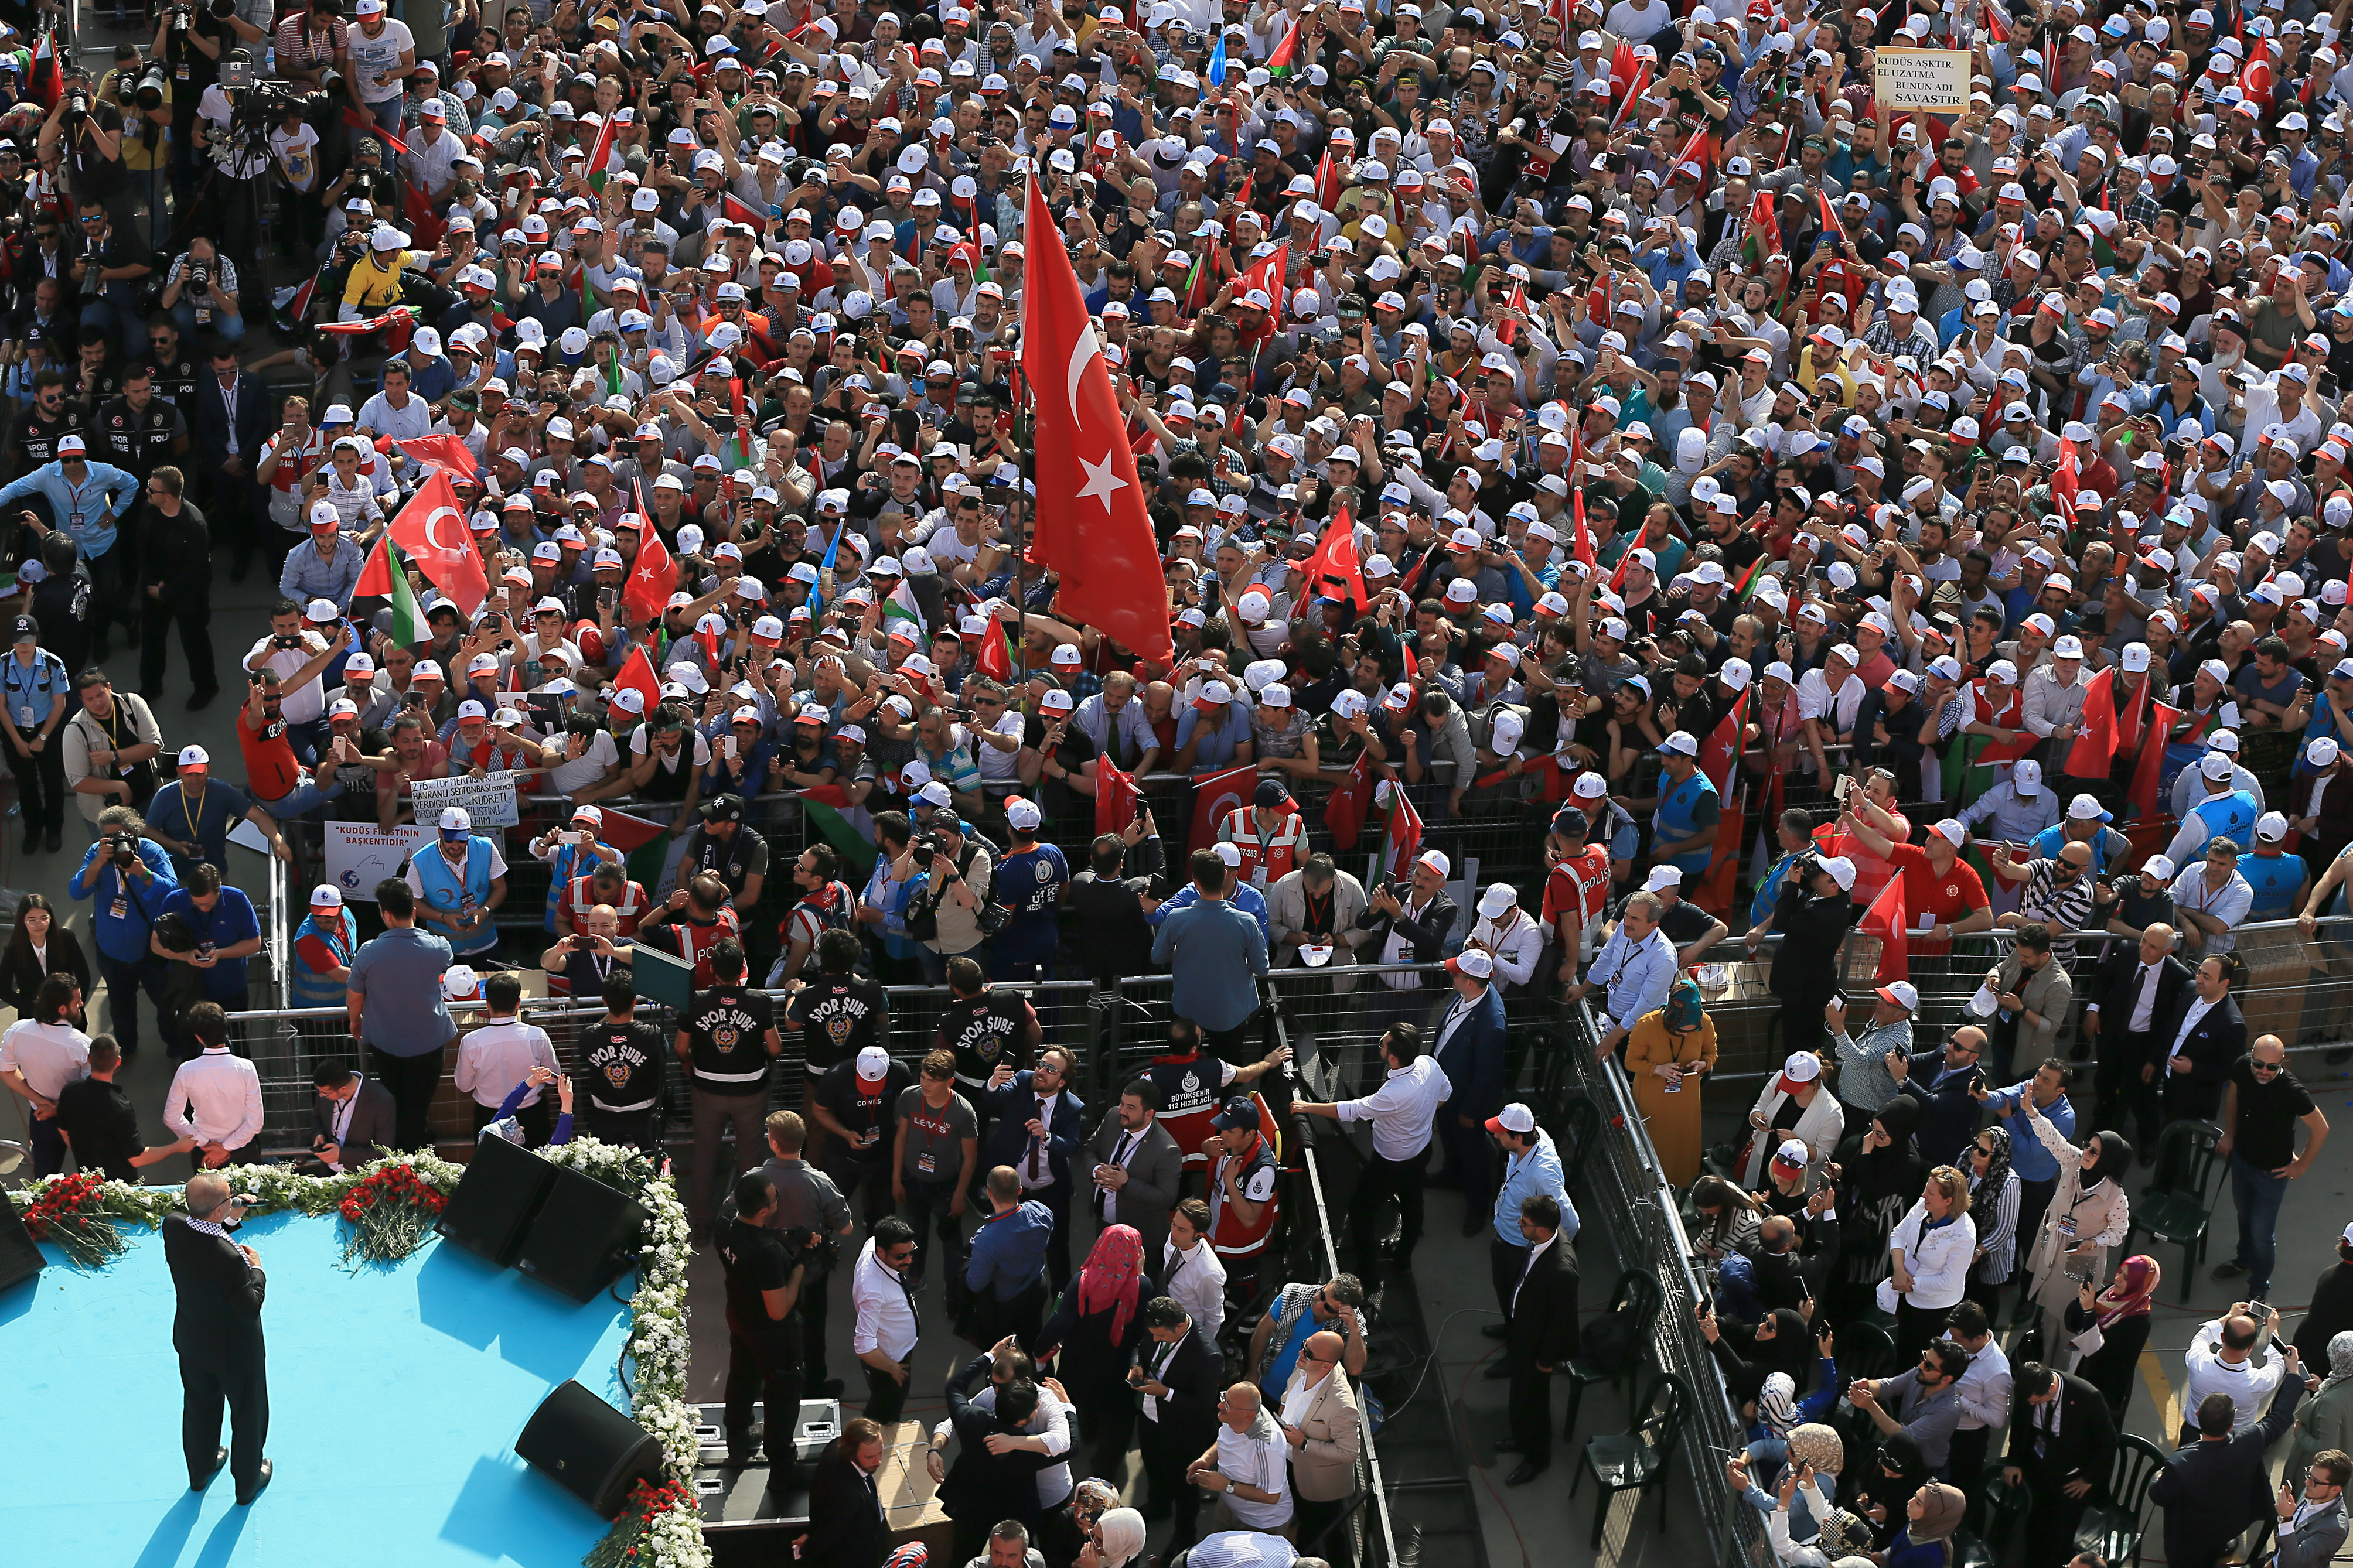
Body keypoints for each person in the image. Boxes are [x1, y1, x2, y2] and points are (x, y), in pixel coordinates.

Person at [1294, 1022, 1448, 1293]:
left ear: (1393, 1058)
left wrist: (1308, 1107)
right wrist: (1422, 1120)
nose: (1379, 1045)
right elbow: (1445, 1095)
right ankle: (1403, 1261)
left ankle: (1368, 1276)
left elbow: (1353, 1110)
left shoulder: (1394, 1093)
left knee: (1361, 1211)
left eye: (1382, 1044)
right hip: (1422, 1151)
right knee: (1414, 1204)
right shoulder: (1429, 1065)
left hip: (1390, 1163)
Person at [165, 1173, 271, 1504]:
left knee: (200, 1406)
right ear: (215, 1211)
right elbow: (250, 1306)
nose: (233, 1201)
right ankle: (248, 1481)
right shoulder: (231, 1260)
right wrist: (258, 1270)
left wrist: (232, 1217)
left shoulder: (174, 1225)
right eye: (229, 1199)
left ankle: (201, 1470)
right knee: (249, 1414)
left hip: (193, 1341)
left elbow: (204, 1237)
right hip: (237, 1352)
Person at [676, 937, 782, 1240]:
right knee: (751, 1157)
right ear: (742, 968)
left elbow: (681, 1049)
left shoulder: (693, 999)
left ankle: (701, 1225)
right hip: (751, 1090)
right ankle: (750, 1224)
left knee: (705, 1155)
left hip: (707, 1090)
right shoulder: (760, 1001)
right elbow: (775, 1049)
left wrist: (690, 1067)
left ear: (711, 969)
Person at [1038, 1224, 1158, 1485]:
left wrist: (1039, 1352)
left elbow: (1059, 1322)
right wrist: (1140, 1274)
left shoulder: (1083, 1281)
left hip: (1078, 1364)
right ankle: (1103, 1468)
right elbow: (1143, 1331)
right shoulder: (1143, 1287)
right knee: (1116, 1421)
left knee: (1081, 1405)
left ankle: (1087, 1434)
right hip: (1117, 1368)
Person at [2212, 1033, 2330, 1300]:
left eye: (2272, 1067)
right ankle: (2243, 1260)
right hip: (2242, 1160)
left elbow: (2321, 1128)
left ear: (2282, 1064)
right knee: (2244, 1215)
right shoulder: (2243, 1067)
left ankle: (2259, 1286)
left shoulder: (2292, 1091)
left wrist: (2301, 1166)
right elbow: (2233, 1096)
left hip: (2272, 1173)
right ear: (2251, 1057)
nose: (2263, 1071)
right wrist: (2229, 1133)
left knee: (2263, 1233)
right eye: (2259, 1064)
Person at [345, 877, 453, 1152]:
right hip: (429, 1041)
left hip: (385, 1042)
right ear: (414, 911)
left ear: (386, 914)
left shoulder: (368, 953)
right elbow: (444, 960)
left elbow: (355, 996)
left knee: (394, 1102)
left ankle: (396, 1163)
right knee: (419, 1105)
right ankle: (417, 1161)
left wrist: (355, 1022)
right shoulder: (439, 947)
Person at [2151, 1379, 2308, 1568]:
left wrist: (2158, 1477)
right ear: (2231, 1426)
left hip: (2192, 1539)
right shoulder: (2251, 1438)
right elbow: (2280, 1416)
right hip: (2233, 1523)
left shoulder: (2180, 1464)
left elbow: (2159, 1495)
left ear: (2198, 1415)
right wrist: (2294, 1377)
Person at [2018, 1099, 2132, 1356]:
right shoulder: (2074, 1161)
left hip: (2081, 1257)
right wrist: (2032, 1113)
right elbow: (2053, 1140)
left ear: (2108, 1161)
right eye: (2087, 1147)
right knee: (2046, 1297)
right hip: (2051, 1238)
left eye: (2094, 1152)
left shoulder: (2116, 1197)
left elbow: (2118, 1233)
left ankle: (2062, 1365)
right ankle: (2043, 1357)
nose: (2086, 1154)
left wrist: (2092, 1243)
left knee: (2068, 1311)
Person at [756, 1109, 855, 1400]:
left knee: (772, 1330)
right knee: (812, 1332)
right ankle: (814, 1386)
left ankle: (772, 1384)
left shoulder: (756, 1179)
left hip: (770, 1275)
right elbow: (847, 1228)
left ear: (773, 1143)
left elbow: (733, 1217)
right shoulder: (819, 1182)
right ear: (803, 1142)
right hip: (811, 1275)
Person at [717, 1170, 809, 1473]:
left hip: (740, 1319)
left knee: (742, 1378)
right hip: (772, 1335)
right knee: (783, 1391)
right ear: (763, 1211)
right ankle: (783, 1465)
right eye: (775, 1198)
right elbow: (778, 1309)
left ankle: (738, 1437)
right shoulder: (765, 1254)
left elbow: (752, 1235)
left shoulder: (725, 1223)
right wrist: (802, 1265)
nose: (777, 1200)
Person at [978, 1046, 1086, 1294]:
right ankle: (1008, 1296)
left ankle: (1061, 1302)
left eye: (1051, 1070)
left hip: (1051, 1190)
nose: (1041, 1071)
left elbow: (1072, 1146)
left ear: (1062, 1082)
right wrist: (994, 1082)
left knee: (1057, 1249)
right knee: (1008, 1244)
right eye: (1041, 1064)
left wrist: (1048, 1136)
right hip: (1014, 1190)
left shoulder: (1071, 1107)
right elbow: (993, 1097)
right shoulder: (1025, 1079)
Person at [1489, 1193, 1576, 1488]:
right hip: (1523, 1334)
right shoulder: (1543, 1239)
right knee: (1519, 1393)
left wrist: (1545, 1361)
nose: (1519, 1225)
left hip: (1537, 1346)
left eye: (1524, 1223)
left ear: (1541, 1229)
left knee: (1535, 1402)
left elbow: (1559, 1321)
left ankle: (1537, 1457)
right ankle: (1521, 1437)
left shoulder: (1561, 1270)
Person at [1154, 846, 1272, 1063]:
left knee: (1184, 1070)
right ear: (1225, 875)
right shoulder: (1247, 922)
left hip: (1187, 1010)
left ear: (1195, 882)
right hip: (1231, 1015)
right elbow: (1262, 968)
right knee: (1227, 1073)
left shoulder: (1176, 918)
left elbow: (1158, 957)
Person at [2082, 923, 2190, 1152]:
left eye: (2153, 946)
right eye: (2144, 941)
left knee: (2143, 1093)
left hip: (2144, 1043)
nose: (2144, 948)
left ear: (2168, 951)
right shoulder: (2127, 952)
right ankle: (2101, 1126)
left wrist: (2155, 1060)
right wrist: (2093, 1009)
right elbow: (2104, 979)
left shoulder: (2179, 977)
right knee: (2105, 1081)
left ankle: (2148, 1140)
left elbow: (2172, 1026)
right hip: (2112, 1034)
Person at [2004, 1361, 2117, 1568]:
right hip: (2038, 1470)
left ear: (2052, 1389)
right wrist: (2014, 1461)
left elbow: (2108, 1444)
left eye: (2036, 1401)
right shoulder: (2028, 1392)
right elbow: (2019, 1426)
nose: (2031, 1404)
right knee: (2035, 1528)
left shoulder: (2087, 1397)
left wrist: (2088, 1480)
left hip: (2071, 1480)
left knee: (2060, 1537)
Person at [1132, 1294, 1223, 1543]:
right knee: (1153, 1466)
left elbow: (1204, 1406)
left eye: (1161, 1336)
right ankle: (1159, 1506)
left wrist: (1166, 1393)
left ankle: (1185, 1534)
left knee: (1184, 1486)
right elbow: (1140, 1347)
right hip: (1150, 1418)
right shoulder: (1158, 1328)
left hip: (1184, 1432)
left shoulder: (1207, 1356)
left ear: (1180, 1327)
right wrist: (1137, 1365)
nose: (1155, 1339)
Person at [1430, 948, 1508, 1236]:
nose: (1452, 977)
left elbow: (1486, 1075)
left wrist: (1470, 1112)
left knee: (1473, 1153)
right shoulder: (1468, 995)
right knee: (1450, 1139)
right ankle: (1451, 1175)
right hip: (1449, 1094)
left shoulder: (1491, 1023)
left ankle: (1478, 1206)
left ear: (1471, 982)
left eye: (1456, 974)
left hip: (1466, 1102)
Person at [894, 1048, 979, 1290]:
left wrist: (960, 1196)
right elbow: (901, 1137)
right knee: (914, 1233)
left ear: (950, 1081)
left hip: (946, 1185)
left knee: (951, 1239)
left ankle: (954, 1289)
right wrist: (896, 1179)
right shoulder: (910, 1097)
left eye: (933, 1080)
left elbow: (970, 1159)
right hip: (912, 1178)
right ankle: (915, 1278)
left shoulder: (963, 1112)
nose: (926, 1084)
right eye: (923, 1077)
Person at [54, 1033, 193, 1179]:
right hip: (119, 1188)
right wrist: (177, 1147)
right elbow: (137, 1158)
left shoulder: (70, 1090)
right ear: (118, 1062)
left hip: (88, 1184)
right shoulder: (120, 1108)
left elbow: (64, 1131)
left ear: (89, 1059)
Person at [1624, 977, 1717, 1187]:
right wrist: (1657, 1069)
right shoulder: (1647, 1025)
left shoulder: (1705, 1024)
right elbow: (1631, 1062)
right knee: (1650, 1143)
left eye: (1690, 1031)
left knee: (1680, 1147)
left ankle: (1675, 1187)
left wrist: (1702, 1065)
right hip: (1652, 1100)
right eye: (1681, 1030)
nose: (1685, 1034)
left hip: (1686, 1101)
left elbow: (1711, 1053)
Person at [1080, 1078, 1184, 1265]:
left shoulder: (1167, 1150)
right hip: (1103, 1226)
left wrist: (1126, 1185)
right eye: (1121, 1103)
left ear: (1149, 1114)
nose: (1122, 1111)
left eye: (1131, 1107)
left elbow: (1166, 1197)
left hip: (1139, 1240)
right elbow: (1089, 1149)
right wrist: (1097, 1170)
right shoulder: (1113, 1117)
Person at [1883, 1168, 1976, 1368]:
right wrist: (1899, 1270)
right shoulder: (1923, 1206)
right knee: (1904, 1353)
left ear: (1948, 1201)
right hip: (1906, 1295)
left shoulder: (1964, 1234)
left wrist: (1908, 1283)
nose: (1924, 1195)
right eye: (1926, 1189)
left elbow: (1948, 1282)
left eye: (1931, 1193)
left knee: (1924, 1364)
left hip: (1934, 1310)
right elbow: (1898, 1234)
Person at [451, 972, 560, 1143]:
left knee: (492, 1168)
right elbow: (553, 1078)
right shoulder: (537, 1035)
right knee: (539, 1167)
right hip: (532, 1115)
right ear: (518, 1003)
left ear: (487, 1004)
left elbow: (464, 1086)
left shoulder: (471, 1041)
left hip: (489, 1115)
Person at [0, 971, 90, 1174]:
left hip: (41, 1117)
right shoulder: (82, 1045)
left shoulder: (17, 1031)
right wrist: (57, 1108)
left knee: (44, 1180)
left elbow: (6, 1072)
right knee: (92, 1177)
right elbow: (90, 1088)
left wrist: (42, 1102)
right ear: (62, 1008)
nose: (82, 1004)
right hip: (78, 1120)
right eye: (77, 1001)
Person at [1848, 1338, 1971, 1476]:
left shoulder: (1948, 1410)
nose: (1921, 1366)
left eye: (1929, 1365)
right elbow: (1889, 1386)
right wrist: (1867, 1386)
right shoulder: (1920, 1375)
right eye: (1923, 1357)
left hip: (1922, 1471)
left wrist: (1871, 1406)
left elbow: (1904, 1436)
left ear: (1947, 1379)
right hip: (1899, 1457)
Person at [161, 1002, 261, 1171]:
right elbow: (255, 1122)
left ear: (198, 1038)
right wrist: (226, 1148)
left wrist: (205, 1143)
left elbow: (171, 1117)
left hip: (204, 1153)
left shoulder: (186, 1070)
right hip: (244, 1151)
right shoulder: (247, 1068)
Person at [576, 974, 667, 1155]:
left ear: (604, 1001)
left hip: (604, 1115)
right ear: (635, 1000)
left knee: (606, 1170)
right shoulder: (652, 1036)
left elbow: (587, 1049)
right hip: (644, 1115)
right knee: (650, 1166)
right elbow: (664, 1059)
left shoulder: (589, 1036)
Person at [964, 1166, 1053, 1351]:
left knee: (997, 1354)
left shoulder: (986, 1240)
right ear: (1020, 1190)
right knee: (1035, 1347)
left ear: (989, 1194)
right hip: (1037, 1289)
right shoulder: (1041, 1212)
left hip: (1005, 1305)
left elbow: (976, 1283)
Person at [1191, 1382, 1294, 1539]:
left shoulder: (1267, 1446)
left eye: (1228, 1405)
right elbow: (1224, 1441)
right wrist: (1206, 1459)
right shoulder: (1235, 1417)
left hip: (1261, 1524)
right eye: (1224, 1398)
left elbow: (1271, 1496)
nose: (1220, 1405)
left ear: (1248, 1415)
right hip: (1230, 1505)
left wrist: (1227, 1485)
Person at [2160, 954, 2248, 1126]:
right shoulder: (2190, 989)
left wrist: (2193, 1068)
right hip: (2167, 1080)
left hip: (2192, 1095)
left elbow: (2232, 1070)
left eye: (2206, 977)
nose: (2199, 979)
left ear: (2224, 983)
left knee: (2176, 1145)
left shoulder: (2232, 1024)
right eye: (2199, 973)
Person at [2183, 1305, 2293, 1439]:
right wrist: (2273, 1330)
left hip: (2192, 1432)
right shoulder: (2258, 1382)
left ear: (2222, 1337)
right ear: (2251, 1346)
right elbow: (2278, 1361)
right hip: (2235, 1440)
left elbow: (2203, 1336)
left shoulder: (2197, 1362)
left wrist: (2230, 1315)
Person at [852, 1217, 923, 1424]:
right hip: (889, 1365)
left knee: (879, 1405)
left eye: (912, 1252)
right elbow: (864, 1347)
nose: (909, 1260)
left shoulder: (873, 1245)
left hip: (894, 1358)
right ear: (881, 1252)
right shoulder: (874, 1291)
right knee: (886, 1417)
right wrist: (893, 1368)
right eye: (901, 1256)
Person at [803, 1418, 891, 1568]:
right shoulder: (849, 1497)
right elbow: (828, 1536)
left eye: (880, 1452)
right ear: (852, 1453)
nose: (878, 1462)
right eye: (870, 1457)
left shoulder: (836, 1446)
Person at [303, 1061, 395, 1176]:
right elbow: (317, 1118)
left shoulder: (382, 1101)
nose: (321, 1095)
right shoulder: (327, 1088)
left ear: (343, 1089)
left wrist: (341, 1154)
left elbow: (383, 1150)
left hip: (360, 1176)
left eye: (325, 1093)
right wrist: (319, 1135)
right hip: (328, 1171)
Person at [2274, 1449, 2353, 1568]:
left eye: (2315, 1481)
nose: (2307, 1482)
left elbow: (2292, 1563)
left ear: (2335, 1490)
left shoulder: (2335, 1528)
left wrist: (2287, 1519)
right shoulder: (2314, 1490)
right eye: (2309, 1475)